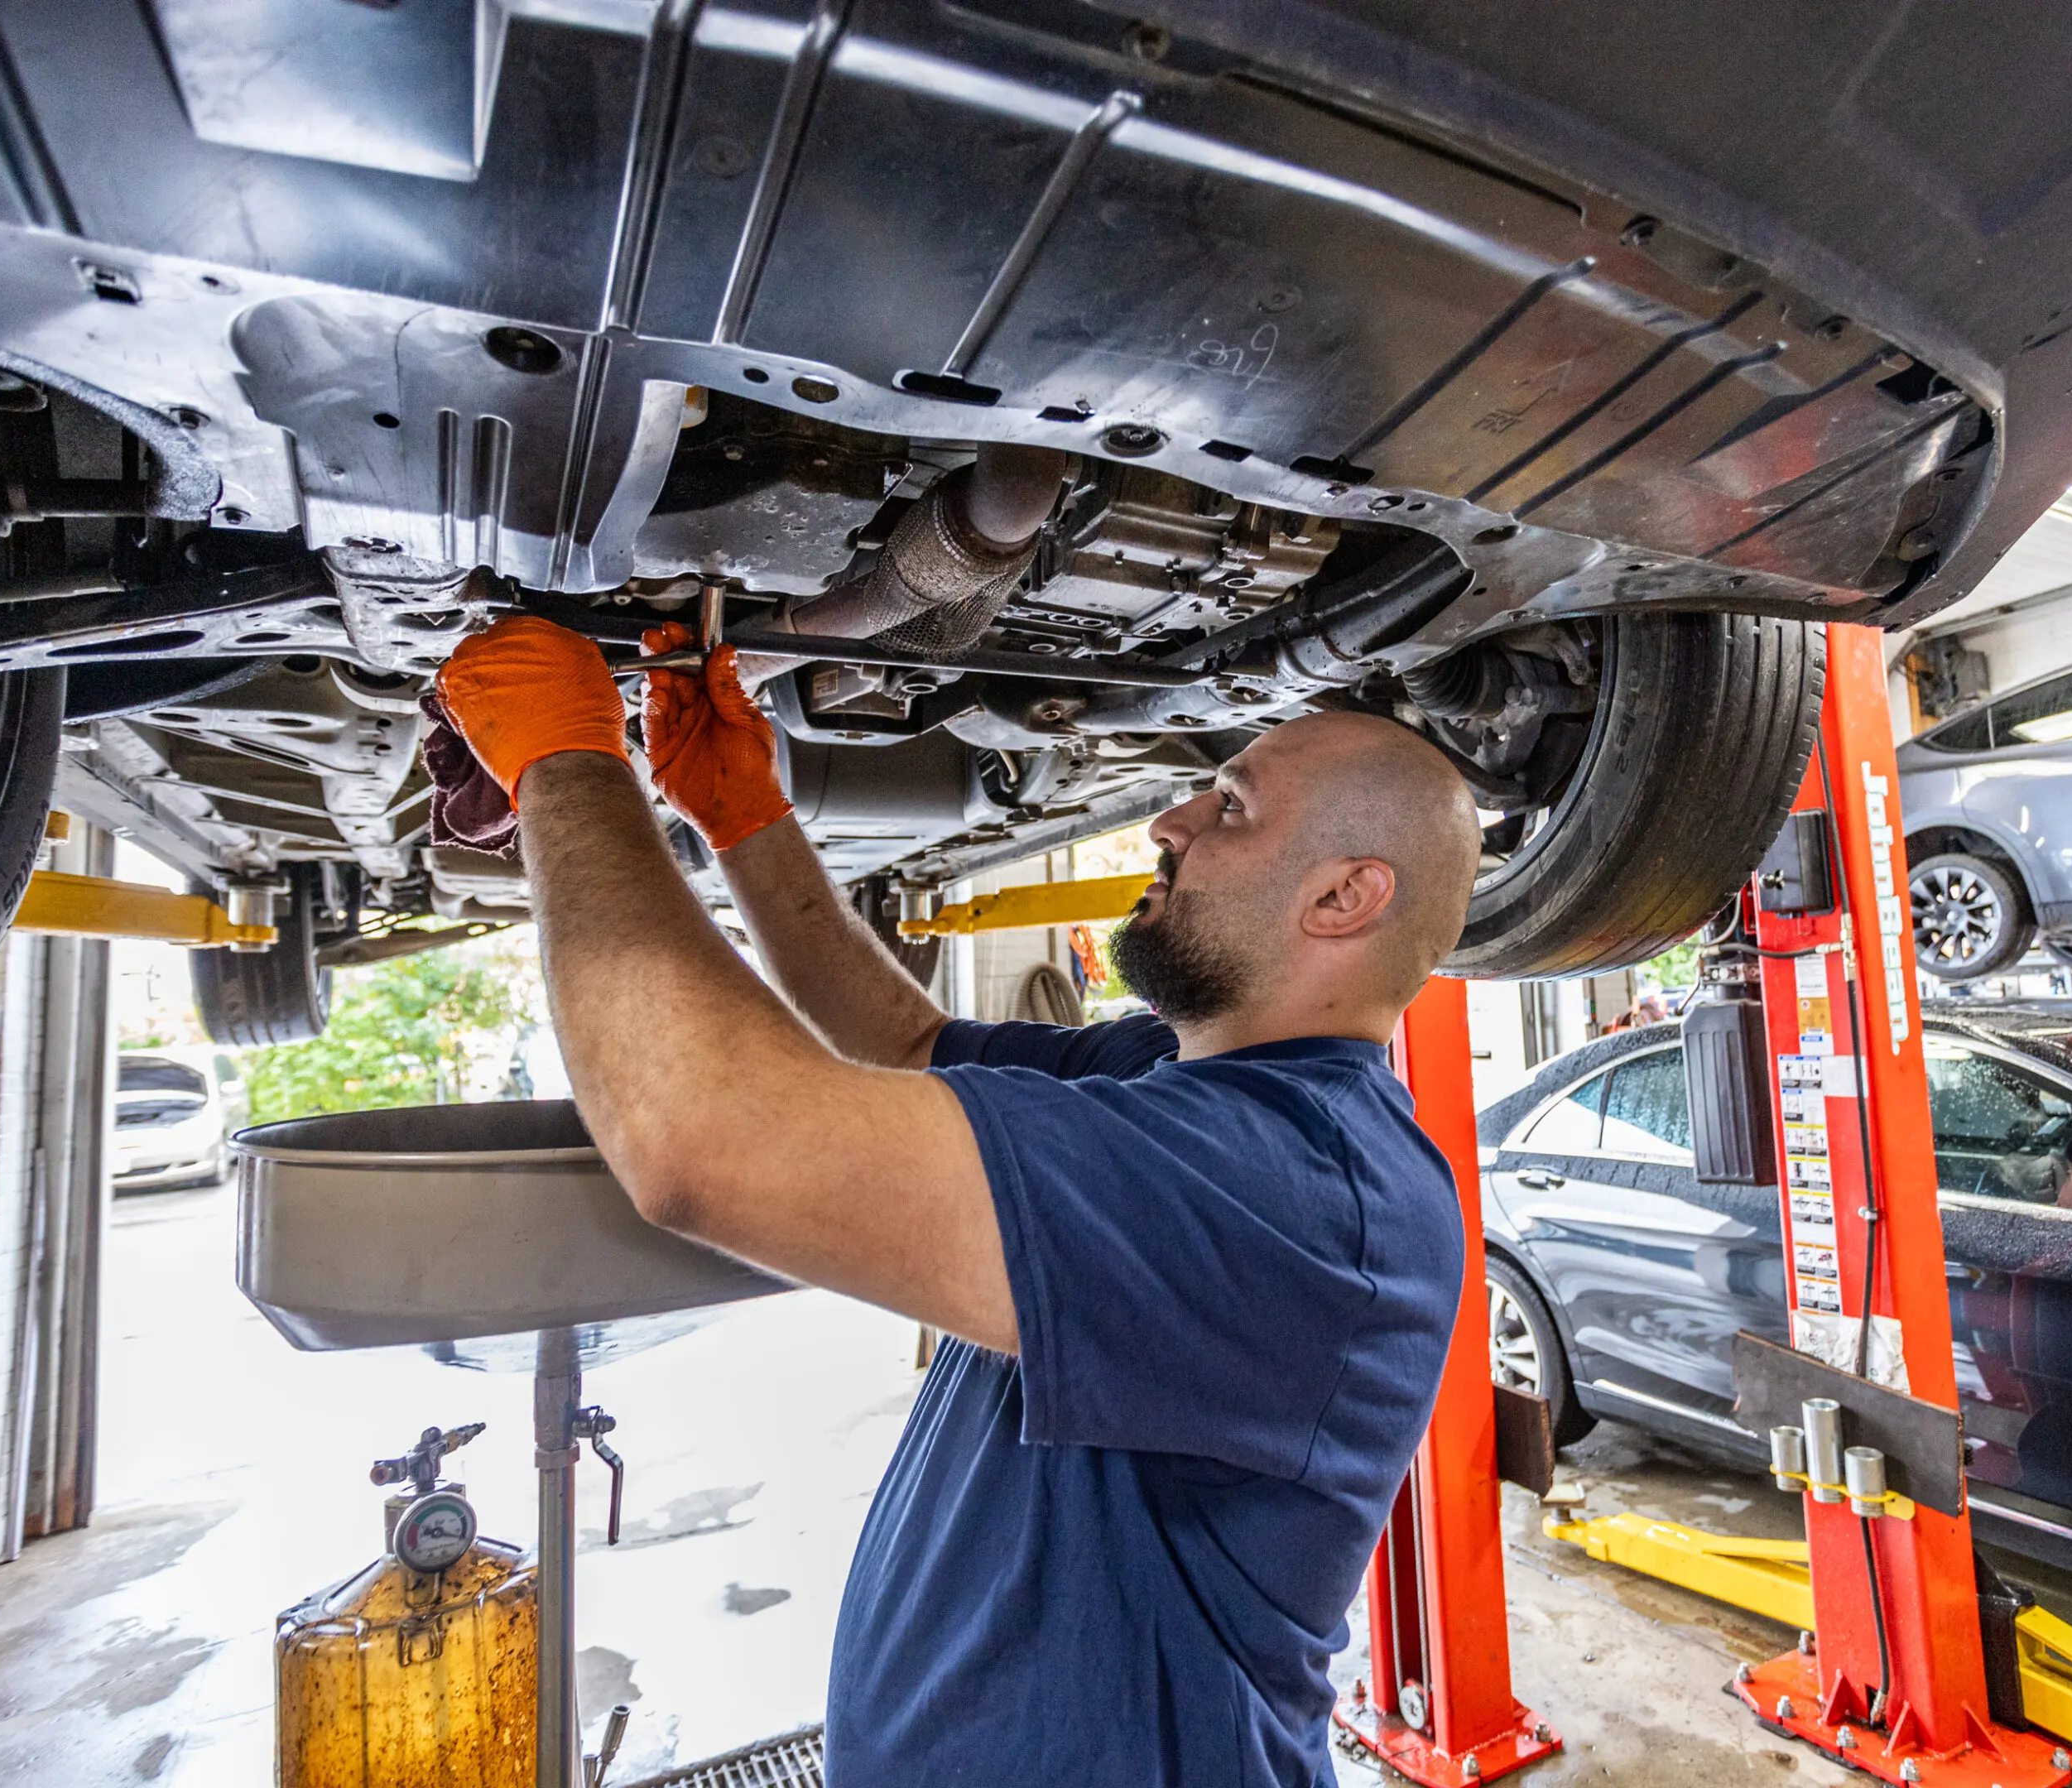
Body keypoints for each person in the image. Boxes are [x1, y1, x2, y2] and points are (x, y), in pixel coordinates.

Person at [430, 615, 1483, 1786]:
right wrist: (740, 816)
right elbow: (908, 1040)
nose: (1169, 822)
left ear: (1344, 896)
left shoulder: (1290, 1189)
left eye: (1229, 806)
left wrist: (567, 767)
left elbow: (702, 1142)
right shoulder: (1172, 1080)